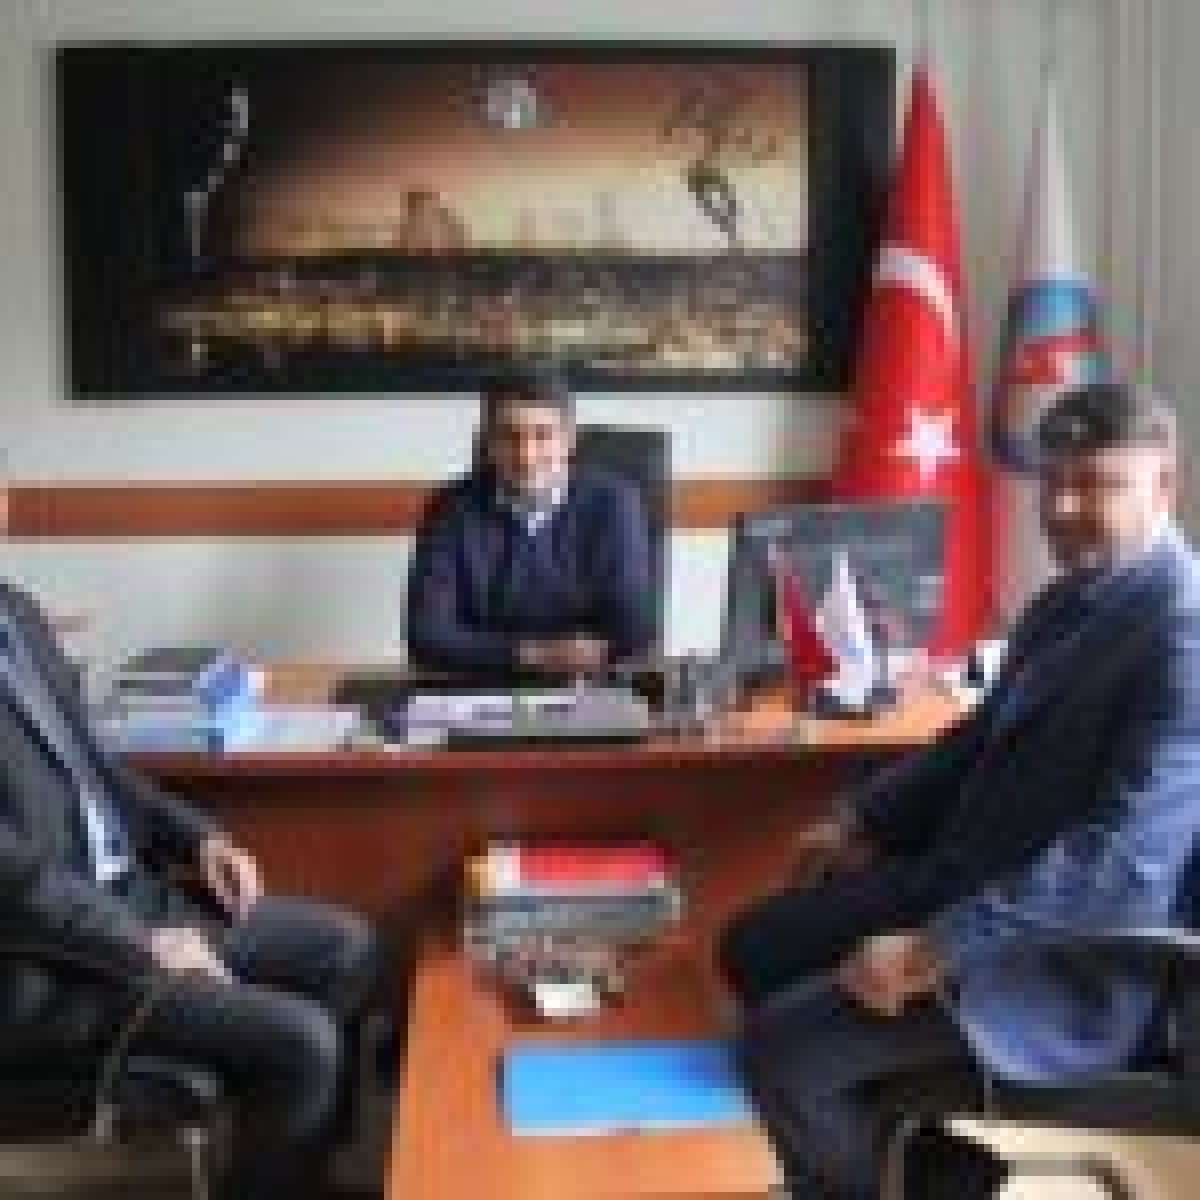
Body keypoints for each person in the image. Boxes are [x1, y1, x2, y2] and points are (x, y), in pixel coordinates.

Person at [719, 381, 1200, 1199]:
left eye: (1098, 485)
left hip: (1075, 955)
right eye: (1054, 483)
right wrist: (862, 816)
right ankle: (931, 1167)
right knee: (754, 948)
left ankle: (860, 1181)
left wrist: (932, 950)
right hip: (971, 882)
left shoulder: (1182, 633)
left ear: (1166, 486)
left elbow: (1117, 864)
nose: (1065, 509)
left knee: (784, 1049)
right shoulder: (1066, 600)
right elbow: (977, 739)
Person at [0, 533, 381, 1198]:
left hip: (128, 895)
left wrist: (201, 840)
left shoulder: (16, 611)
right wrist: (138, 943)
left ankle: (293, 1167)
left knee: (345, 949)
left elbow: (97, 765)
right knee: (304, 1042)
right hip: (49, 965)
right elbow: (14, 880)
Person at [406, 368, 655, 679]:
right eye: (509, 437)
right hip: (479, 689)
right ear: (488, 443)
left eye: (543, 435)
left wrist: (483, 648)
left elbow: (634, 632)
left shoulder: (614, 504)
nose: (526, 456)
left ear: (569, 440)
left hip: (586, 687)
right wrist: (535, 656)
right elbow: (425, 635)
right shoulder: (452, 507)